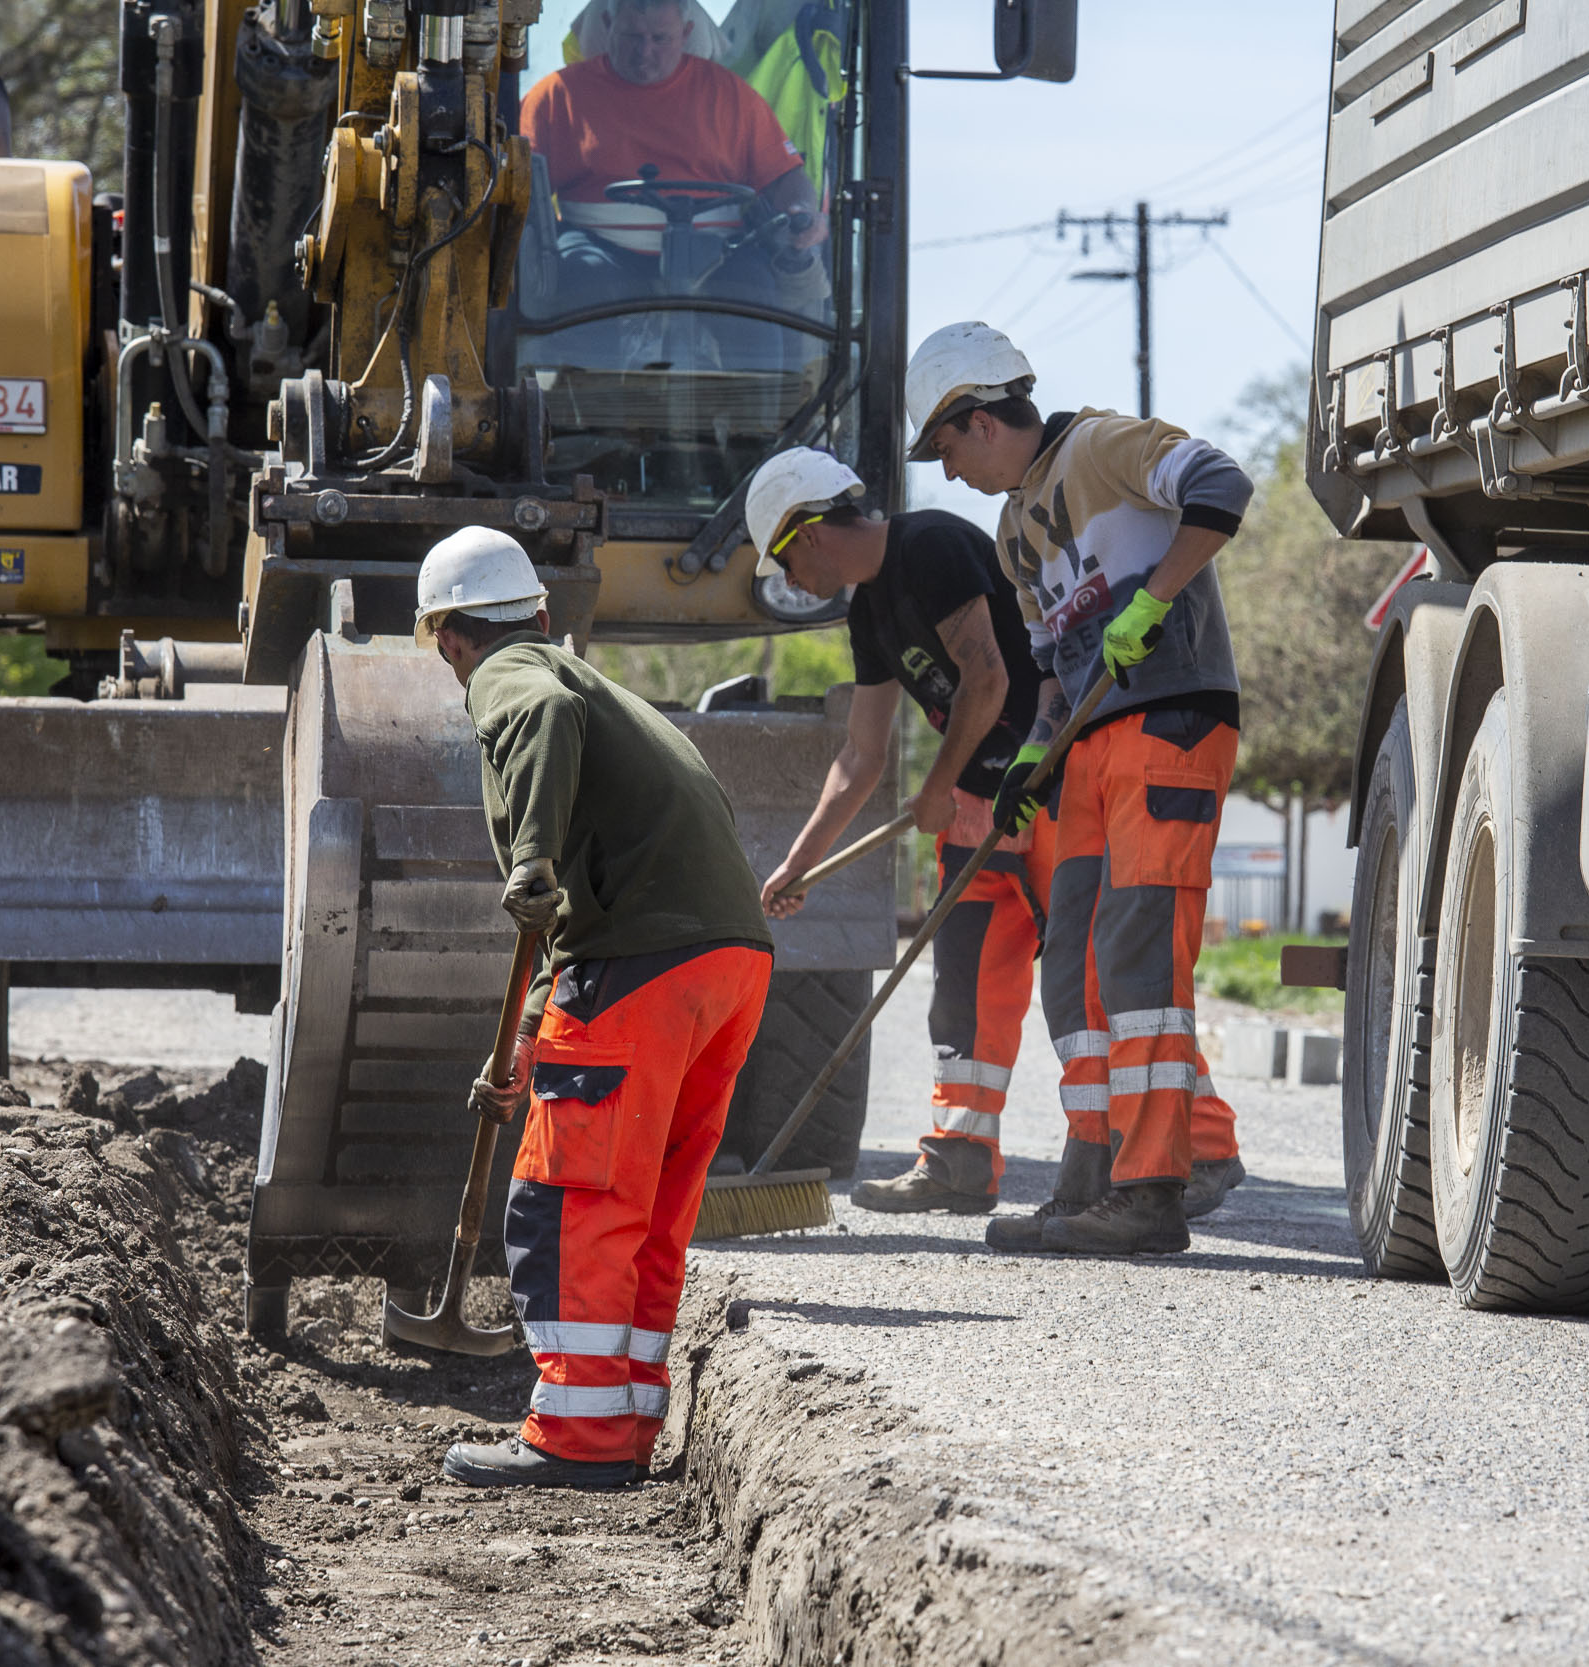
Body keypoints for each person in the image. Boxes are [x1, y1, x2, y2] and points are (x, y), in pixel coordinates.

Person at [748, 448, 1247, 1221]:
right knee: (966, 990)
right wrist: (799, 862)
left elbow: (990, 679)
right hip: (976, 806)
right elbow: (861, 750)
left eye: (783, 564)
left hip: (1044, 788)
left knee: (1100, 980)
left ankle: (1202, 1142)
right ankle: (959, 1154)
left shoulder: (932, 546)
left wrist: (940, 788)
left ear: (806, 532)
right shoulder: (868, 611)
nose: (791, 586)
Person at [417, 527, 777, 1490]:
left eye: (446, 647)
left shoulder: (516, 673)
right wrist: (532, 1040)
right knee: (651, 1207)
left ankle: (575, 1437)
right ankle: (622, 1423)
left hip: (642, 965)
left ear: (450, 635)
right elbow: (578, 907)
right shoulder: (613, 696)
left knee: (569, 1201)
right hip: (725, 967)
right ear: (541, 607)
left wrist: (525, 860)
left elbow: (526, 715)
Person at [905, 321, 1255, 1257]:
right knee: (1076, 968)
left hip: (1171, 719)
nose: (944, 474)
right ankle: (1090, 1178)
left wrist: (1157, 596)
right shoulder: (1017, 528)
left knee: (1138, 957)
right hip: (1091, 742)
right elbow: (1055, 666)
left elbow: (1222, 485)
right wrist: (1032, 753)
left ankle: (1150, 1192)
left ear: (980, 420)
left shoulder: (1104, 446)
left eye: (943, 448)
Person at [521, 0, 825, 363]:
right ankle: (584, 416)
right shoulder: (557, 97)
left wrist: (803, 210)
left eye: (659, 39)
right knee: (583, 278)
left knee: (754, 291)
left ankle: (762, 418)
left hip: (715, 251)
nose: (644, 53)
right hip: (600, 244)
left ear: (686, 33)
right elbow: (520, 182)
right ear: (606, 24)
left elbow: (786, 177)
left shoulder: (732, 97)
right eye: (632, 36)